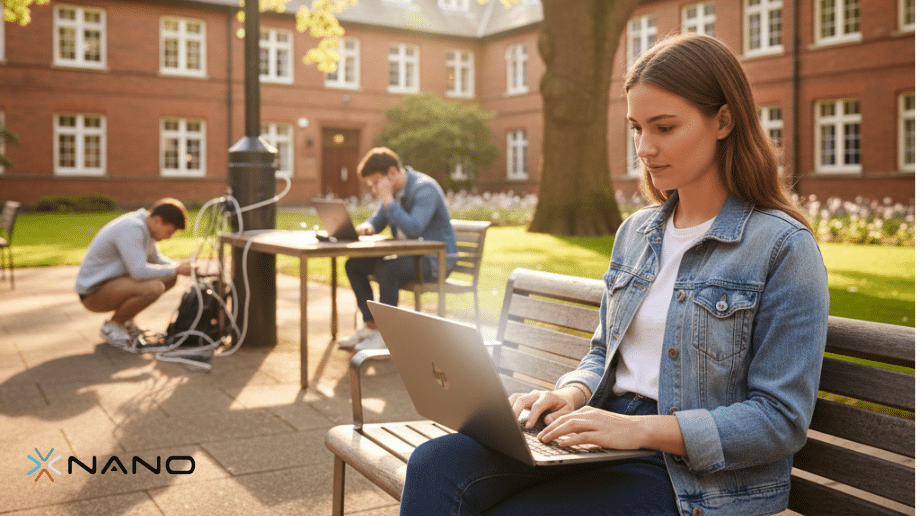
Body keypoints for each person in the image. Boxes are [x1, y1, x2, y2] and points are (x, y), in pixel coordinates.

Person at [399, 33, 829, 516]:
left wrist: (639, 430)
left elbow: (780, 421)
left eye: (664, 127)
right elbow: (604, 351)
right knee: (434, 464)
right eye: (636, 129)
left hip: (689, 473)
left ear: (724, 121)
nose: (644, 148)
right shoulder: (637, 232)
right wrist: (570, 394)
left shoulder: (782, 246)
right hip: (605, 430)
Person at [338, 147, 457, 352]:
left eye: (375, 182)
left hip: (434, 262)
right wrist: (368, 227)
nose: (374, 189)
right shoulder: (392, 194)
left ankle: (387, 335)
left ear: (391, 172)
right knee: (354, 265)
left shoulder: (424, 188)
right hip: (410, 258)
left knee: (388, 268)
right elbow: (378, 219)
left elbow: (414, 228)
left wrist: (388, 201)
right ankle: (371, 325)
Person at [76, 197, 196, 349]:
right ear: (157, 220)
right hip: (92, 293)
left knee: (170, 277)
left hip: (112, 284)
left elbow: (156, 259)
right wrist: (177, 269)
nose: (169, 236)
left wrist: (180, 267)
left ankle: (125, 322)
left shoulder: (146, 227)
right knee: (154, 287)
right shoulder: (132, 228)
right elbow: (138, 271)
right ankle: (113, 326)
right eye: (169, 231)